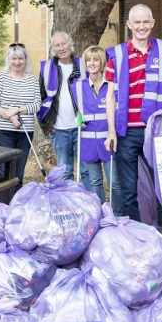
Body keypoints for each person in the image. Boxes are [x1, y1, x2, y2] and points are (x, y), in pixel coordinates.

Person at [106, 4, 162, 221]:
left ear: (152, 24)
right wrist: (111, 132)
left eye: (145, 22)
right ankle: (137, 236)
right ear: (129, 25)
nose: (141, 26)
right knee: (129, 190)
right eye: (137, 22)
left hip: (155, 130)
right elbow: (110, 97)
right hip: (126, 132)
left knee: (161, 185)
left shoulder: (161, 49)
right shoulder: (117, 54)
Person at [0, 44, 41, 189]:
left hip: (25, 133)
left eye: (20, 58)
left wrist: (16, 109)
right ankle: (3, 203)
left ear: (25, 60)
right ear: (8, 60)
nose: (17, 62)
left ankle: (17, 204)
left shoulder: (32, 79)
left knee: (19, 172)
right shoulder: (0, 77)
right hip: (2, 132)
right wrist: (11, 117)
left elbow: (37, 105)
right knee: (4, 171)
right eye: (13, 58)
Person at [37, 31, 86, 181]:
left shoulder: (83, 65)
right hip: (58, 129)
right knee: (65, 171)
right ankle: (68, 203)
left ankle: (88, 202)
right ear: (53, 48)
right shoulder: (46, 68)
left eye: (63, 43)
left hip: (82, 127)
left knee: (86, 169)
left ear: (70, 44)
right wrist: (46, 123)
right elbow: (40, 97)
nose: (61, 48)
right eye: (57, 45)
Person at [72, 45, 117, 204]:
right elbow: (77, 111)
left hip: (109, 141)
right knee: (95, 182)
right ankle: (100, 213)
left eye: (95, 60)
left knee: (114, 183)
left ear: (102, 62)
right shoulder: (77, 86)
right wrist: (78, 118)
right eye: (88, 60)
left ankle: (118, 214)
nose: (92, 63)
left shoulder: (112, 84)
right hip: (89, 142)